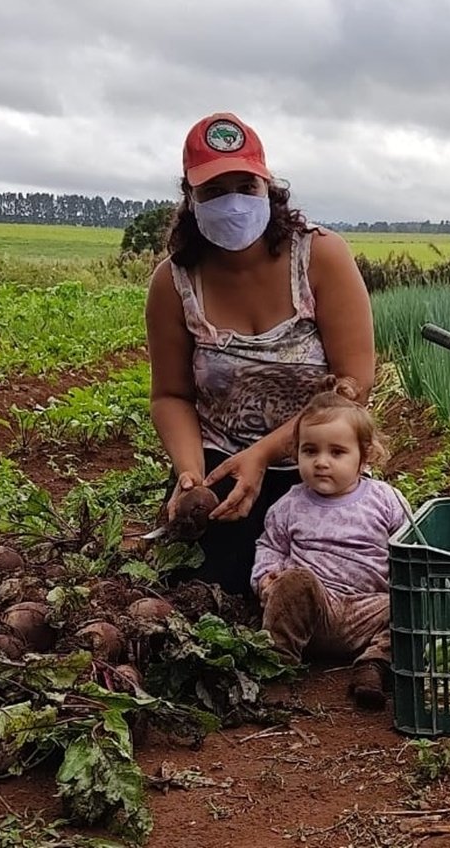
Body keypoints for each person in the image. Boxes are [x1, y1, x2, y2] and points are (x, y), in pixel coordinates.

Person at [145, 112, 375, 598]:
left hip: (316, 456)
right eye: (213, 191)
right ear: (190, 198)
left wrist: (266, 454)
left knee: (338, 579)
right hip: (221, 466)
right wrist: (190, 476)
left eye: (245, 186)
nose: (232, 202)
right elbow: (170, 394)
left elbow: (354, 383)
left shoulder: (321, 256)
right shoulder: (174, 282)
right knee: (206, 591)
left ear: (268, 187)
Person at [251, 383, 410, 710]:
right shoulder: (288, 506)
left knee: (409, 605)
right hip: (315, 615)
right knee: (296, 581)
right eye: (310, 451)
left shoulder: (385, 500)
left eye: (336, 452)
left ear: (363, 457)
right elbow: (270, 546)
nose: (321, 462)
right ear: (297, 453)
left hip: (368, 610)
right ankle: (278, 667)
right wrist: (266, 577)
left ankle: (373, 665)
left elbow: (408, 549)